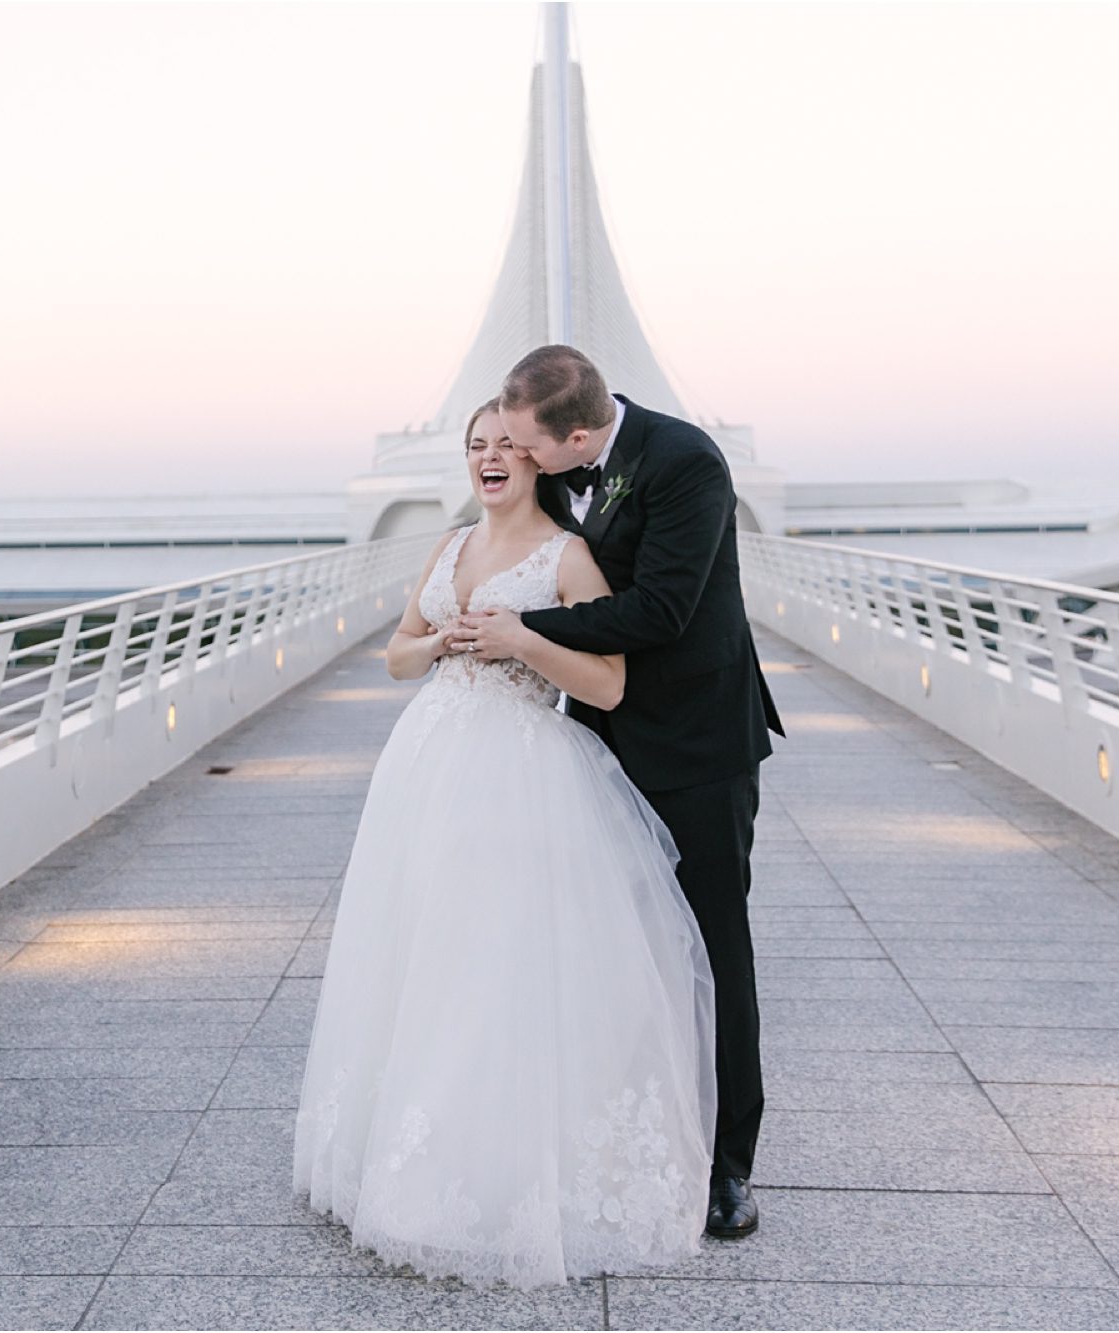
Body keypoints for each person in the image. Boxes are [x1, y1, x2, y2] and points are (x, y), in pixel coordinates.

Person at [291, 400, 717, 1289]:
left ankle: (506, 1168)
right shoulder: (446, 547)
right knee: (424, 954)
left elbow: (606, 682)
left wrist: (522, 637)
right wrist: (443, 641)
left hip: (521, 771)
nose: (489, 458)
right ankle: (410, 1159)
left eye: (505, 448)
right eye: (476, 446)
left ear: (536, 462)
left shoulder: (569, 557)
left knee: (501, 962)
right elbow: (398, 654)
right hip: (423, 773)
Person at [455, 344, 785, 1240]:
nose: (517, 459)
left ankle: (728, 1165)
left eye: (528, 447)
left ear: (579, 433)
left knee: (714, 947)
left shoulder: (685, 463)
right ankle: (625, 1134)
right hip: (592, 740)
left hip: (697, 742)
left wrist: (523, 626)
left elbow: (659, 610)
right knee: (608, 945)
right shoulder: (559, 472)